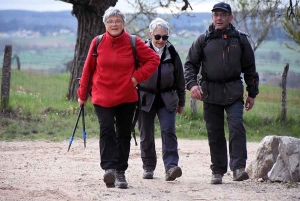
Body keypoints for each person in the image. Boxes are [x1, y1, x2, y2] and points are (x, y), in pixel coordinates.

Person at [77, 7, 160, 189]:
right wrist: (82, 95)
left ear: (123, 23)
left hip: (126, 96)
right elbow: (88, 69)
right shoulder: (97, 42)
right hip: (101, 96)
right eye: (110, 21)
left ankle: (120, 172)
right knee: (106, 130)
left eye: (118, 21)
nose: (114, 24)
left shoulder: (133, 42)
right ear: (105, 24)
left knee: (123, 134)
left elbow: (153, 59)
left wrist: (137, 77)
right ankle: (109, 169)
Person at [184, 2, 259, 184]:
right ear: (212, 18)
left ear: (230, 18)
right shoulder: (203, 40)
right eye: (216, 15)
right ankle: (217, 170)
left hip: (233, 91)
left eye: (223, 15)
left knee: (236, 127)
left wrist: (252, 93)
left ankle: (238, 168)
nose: (218, 18)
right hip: (210, 92)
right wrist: (192, 85)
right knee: (215, 132)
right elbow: (190, 65)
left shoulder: (240, 40)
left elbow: (250, 68)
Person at [138, 17, 186, 181]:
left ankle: (171, 167)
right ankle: (148, 167)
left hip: (167, 98)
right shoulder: (141, 51)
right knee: (146, 134)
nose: (160, 40)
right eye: (157, 36)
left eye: (164, 37)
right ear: (150, 34)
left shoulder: (172, 53)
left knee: (168, 131)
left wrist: (181, 102)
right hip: (145, 98)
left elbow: (180, 79)